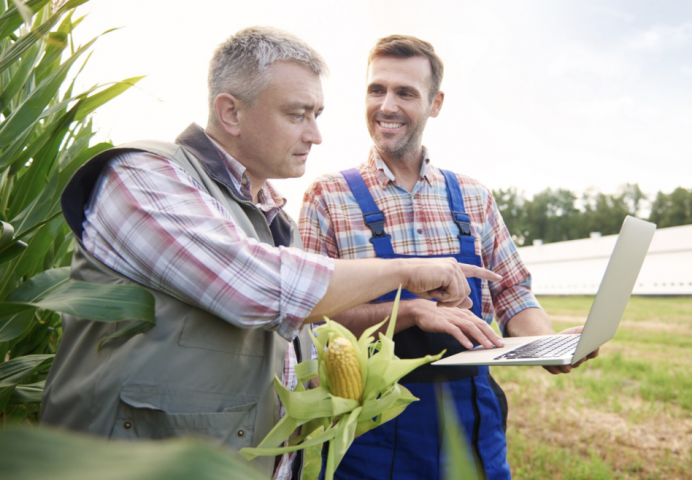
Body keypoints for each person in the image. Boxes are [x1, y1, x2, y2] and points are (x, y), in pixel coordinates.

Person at [39, 28, 501, 480]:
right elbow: (257, 288)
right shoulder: (142, 177)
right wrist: (406, 272)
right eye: (298, 114)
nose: (316, 135)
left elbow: (304, 336)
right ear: (231, 113)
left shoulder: (272, 218)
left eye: (317, 114)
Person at [298, 35, 599, 480]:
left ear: (435, 103)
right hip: (370, 425)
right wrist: (412, 312)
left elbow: (512, 291)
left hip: (473, 417)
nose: (386, 105)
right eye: (376, 89)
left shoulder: (473, 196)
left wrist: (547, 347)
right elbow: (309, 317)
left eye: (405, 93)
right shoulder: (328, 197)